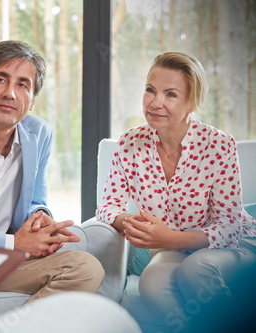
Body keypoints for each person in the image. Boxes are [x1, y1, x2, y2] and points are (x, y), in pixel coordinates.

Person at [0, 40, 104, 302]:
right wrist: (13, 243)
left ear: (32, 100)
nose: (10, 93)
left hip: (3, 262)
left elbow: (36, 200)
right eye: (1, 80)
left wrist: (40, 220)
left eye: (22, 85)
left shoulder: (39, 135)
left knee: (86, 268)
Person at [96, 51, 256, 332]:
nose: (156, 102)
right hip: (172, 249)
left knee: (196, 270)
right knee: (151, 283)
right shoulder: (129, 144)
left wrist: (168, 237)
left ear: (192, 102)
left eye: (171, 94)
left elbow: (229, 225)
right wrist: (130, 222)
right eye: (150, 90)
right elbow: (107, 207)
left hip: (230, 245)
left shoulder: (219, 146)